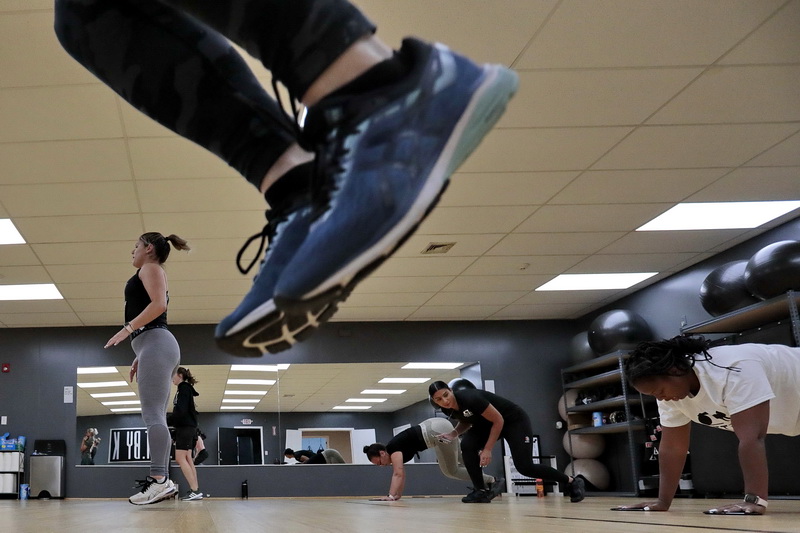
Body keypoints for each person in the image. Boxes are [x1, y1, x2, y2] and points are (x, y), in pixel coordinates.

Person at [54, 1, 518, 357]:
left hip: (149, 338)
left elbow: (155, 305)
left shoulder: (151, 269)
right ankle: (297, 185)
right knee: (83, 18)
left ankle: (379, 88)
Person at [613, 336, 800, 515]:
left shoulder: (733, 367)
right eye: (654, 395)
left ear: (676, 370)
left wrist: (753, 501)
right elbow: (673, 448)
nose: (660, 398)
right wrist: (662, 501)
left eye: (660, 391)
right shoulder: (669, 397)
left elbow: (752, 438)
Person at [104, 231, 190, 505]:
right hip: (152, 345)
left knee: (153, 415)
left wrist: (128, 329)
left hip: (156, 342)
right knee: (155, 416)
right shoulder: (149, 269)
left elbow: (159, 305)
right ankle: (161, 480)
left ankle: (159, 480)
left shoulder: (150, 267)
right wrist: (140, 353)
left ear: (149, 248)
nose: (133, 252)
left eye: (136, 246)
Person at [429, 381, 586, 504]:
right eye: (439, 399)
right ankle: (481, 491)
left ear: (450, 390)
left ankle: (572, 481)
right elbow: (466, 420)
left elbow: (498, 420)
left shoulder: (471, 398)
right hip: (486, 424)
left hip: (513, 421)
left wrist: (488, 449)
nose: (444, 400)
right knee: (467, 445)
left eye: (445, 395)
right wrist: (453, 433)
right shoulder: (447, 409)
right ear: (435, 401)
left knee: (525, 467)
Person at [363, 417, 504, 502]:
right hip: (437, 426)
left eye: (379, 462)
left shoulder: (393, 448)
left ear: (382, 453)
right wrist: (397, 495)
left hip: (435, 431)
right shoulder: (394, 449)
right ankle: (488, 483)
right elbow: (401, 474)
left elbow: (398, 473)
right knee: (463, 459)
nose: (381, 466)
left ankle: (491, 481)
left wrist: (390, 496)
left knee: (451, 471)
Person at [170, 366, 203, 501]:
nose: (172, 378)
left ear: (180, 375)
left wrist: (167, 419)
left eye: (173, 375)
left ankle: (195, 490)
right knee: (188, 458)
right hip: (188, 427)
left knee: (180, 458)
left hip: (185, 427)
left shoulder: (183, 388)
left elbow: (181, 411)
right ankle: (196, 490)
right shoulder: (185, 388)